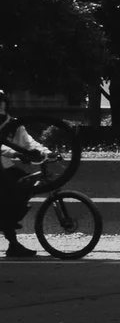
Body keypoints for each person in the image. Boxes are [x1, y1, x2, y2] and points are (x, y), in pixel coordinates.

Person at [0, 104, 51, 259]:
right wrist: (15, 153)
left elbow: (29, 142)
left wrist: (47, 153)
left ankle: (9, 221)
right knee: (9, 194)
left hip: (6, 167)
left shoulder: (13, 124)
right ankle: (12, 240)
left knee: (25, 185)